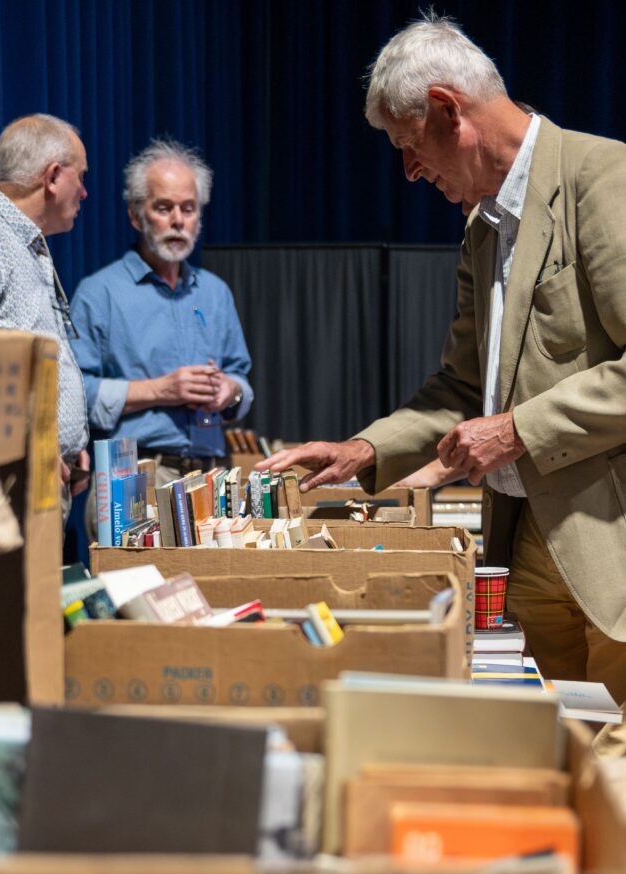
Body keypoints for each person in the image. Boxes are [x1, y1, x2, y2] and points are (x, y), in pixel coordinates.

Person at [258, 13, 626, 754]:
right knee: (558, 763)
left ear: (449, 110)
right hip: (526, 545)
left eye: (407, 145)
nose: (408, 172)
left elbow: (512, 413)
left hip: (609, 546)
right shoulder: (482, 228)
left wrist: (518, 429)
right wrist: (364, 449)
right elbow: (462, 388)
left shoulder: (600, 176)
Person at [71, 138, 253, 505]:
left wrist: (228, 391)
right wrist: (161, 390)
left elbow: (242, 381)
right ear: (136, 215)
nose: (177, 221)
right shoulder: (99, 293)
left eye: (188, 209)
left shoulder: (215, 293)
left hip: (212, 473)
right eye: (164, 207)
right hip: (134, 473)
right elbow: (75, 394)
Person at [0, 113, 90, 518]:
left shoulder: (23, 244)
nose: (85, 192)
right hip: (2, 490)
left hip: (36, 483)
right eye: (81, 177)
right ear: (54, 177)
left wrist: (68, 445)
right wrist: (32, 448)